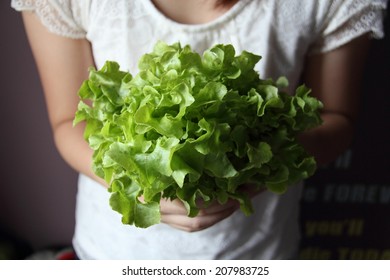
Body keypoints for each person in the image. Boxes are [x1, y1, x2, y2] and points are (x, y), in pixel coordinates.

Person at [11, 0, 387, 259]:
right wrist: (139, 183)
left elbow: (336, 118)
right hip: (116, 254)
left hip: (257, 253)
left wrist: (258, 170)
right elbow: (70, 120)